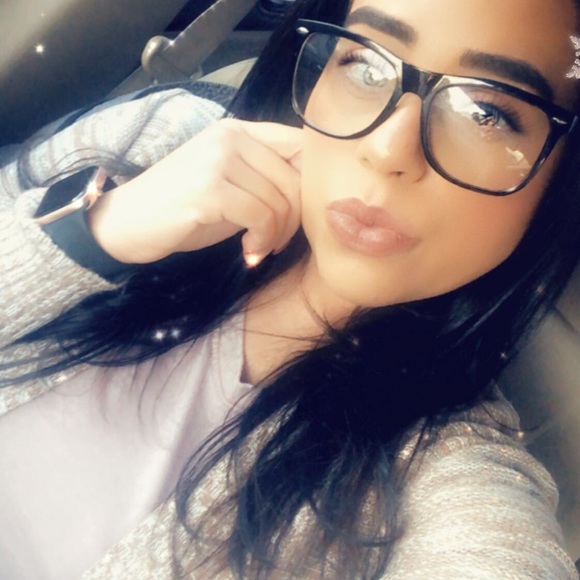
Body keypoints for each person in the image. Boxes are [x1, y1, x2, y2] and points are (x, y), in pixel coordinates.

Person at [1, 0, 579, 578]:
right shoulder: (164, 137)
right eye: (365, 64)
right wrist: (95, 234)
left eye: (484, 111)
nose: (385, 149)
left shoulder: (450, 476)